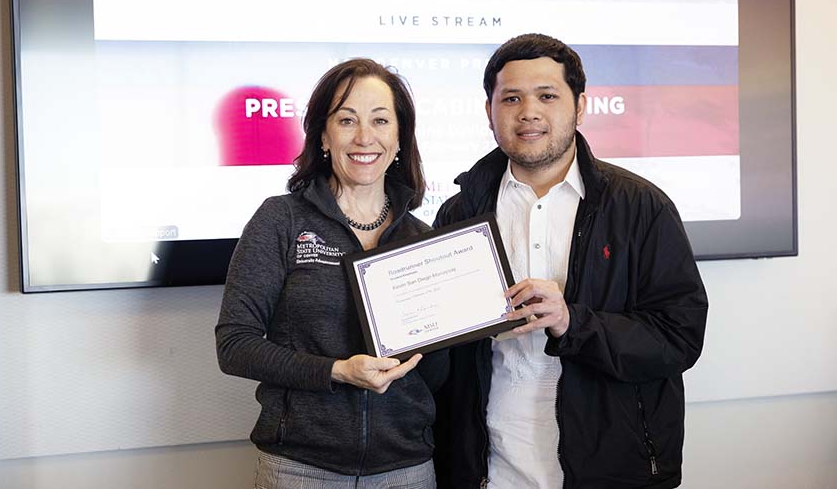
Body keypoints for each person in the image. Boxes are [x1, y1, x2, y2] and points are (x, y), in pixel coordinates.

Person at [432, 34, 708, 488]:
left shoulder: (641, 207)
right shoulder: (460, 213)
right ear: (489, 112)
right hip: (489, 466)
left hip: (609, 466)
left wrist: (570, 321)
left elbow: (679, 337)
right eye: (512, 98)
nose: (528, 113)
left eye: (547, 96)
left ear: (580, 107)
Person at [216, 58, 447, 488]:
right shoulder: (280, 220)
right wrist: (337, 371)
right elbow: (234, 345)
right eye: (347, 120)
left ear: (399, 138)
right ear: (324, 134)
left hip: (406, 470)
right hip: (301, 467)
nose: (364, 137)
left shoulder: (423, 239)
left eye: (380, 120)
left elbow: (435, 372)